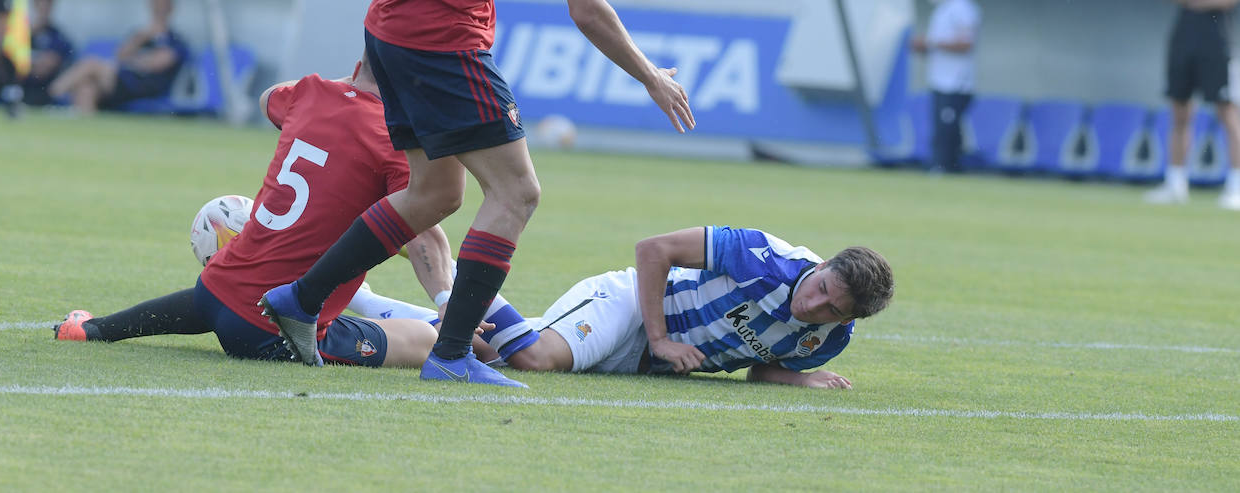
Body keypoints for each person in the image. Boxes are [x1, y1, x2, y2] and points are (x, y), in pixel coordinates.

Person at [215, 0, 694, 387]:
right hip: (442, 42)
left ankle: (299, 300)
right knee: (516, 193)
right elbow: (587, 8)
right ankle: (451, 355)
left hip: (385, 28)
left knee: (435, 193)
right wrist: (650, 77)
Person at [55, 63, 454, 368]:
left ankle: (92, 329)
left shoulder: (311, 92)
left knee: (219, 295)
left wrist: (346, 90)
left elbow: (268, 99)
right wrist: (445, 299)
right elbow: (423, 234)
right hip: (278, 331)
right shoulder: (393, 142)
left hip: (214, 293)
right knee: (426, 338)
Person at [358, 227, 894, 388]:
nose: (812, 302)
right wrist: (660, 338)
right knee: (534, 357)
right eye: (820, 284)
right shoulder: (765, 257)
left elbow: (762, 367)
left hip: (645, 361)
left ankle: (362, 300)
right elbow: (652, 250)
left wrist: (800, 381)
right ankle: (449, 278)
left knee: (493, 348)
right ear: (821, 265)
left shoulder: (826, 340)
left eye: (828, 308)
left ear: (846, 320)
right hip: (632, 307)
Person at [1147, 0, 1240, 209]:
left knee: (1227, 111)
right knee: (1180, 111)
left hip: (1220, 41)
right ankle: (1175, 183)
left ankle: (1235, 187)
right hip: (1183, 38)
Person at [47, 0, 189, 114]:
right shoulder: (140, 35)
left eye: (162, 7)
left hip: (144, 88)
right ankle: (87, 130)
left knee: (91, 64)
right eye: (156, 6)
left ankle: (50, 97)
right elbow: (120, 55)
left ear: (170, 9)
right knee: (87, 88)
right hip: (122, 82)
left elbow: (156, 64)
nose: (159, 11)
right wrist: (143, 37)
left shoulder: (176, 40)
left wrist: (133, 61)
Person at [910, 0, 981, 172]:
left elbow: (966, 43)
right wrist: (923, 47)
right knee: (940, 130)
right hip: (939, 81)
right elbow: (938, 46)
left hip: (956, 83)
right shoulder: (942, 9)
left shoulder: (964, 7)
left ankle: (945, 171)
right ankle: (944, 170)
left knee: (947, 133)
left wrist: (931, 42)